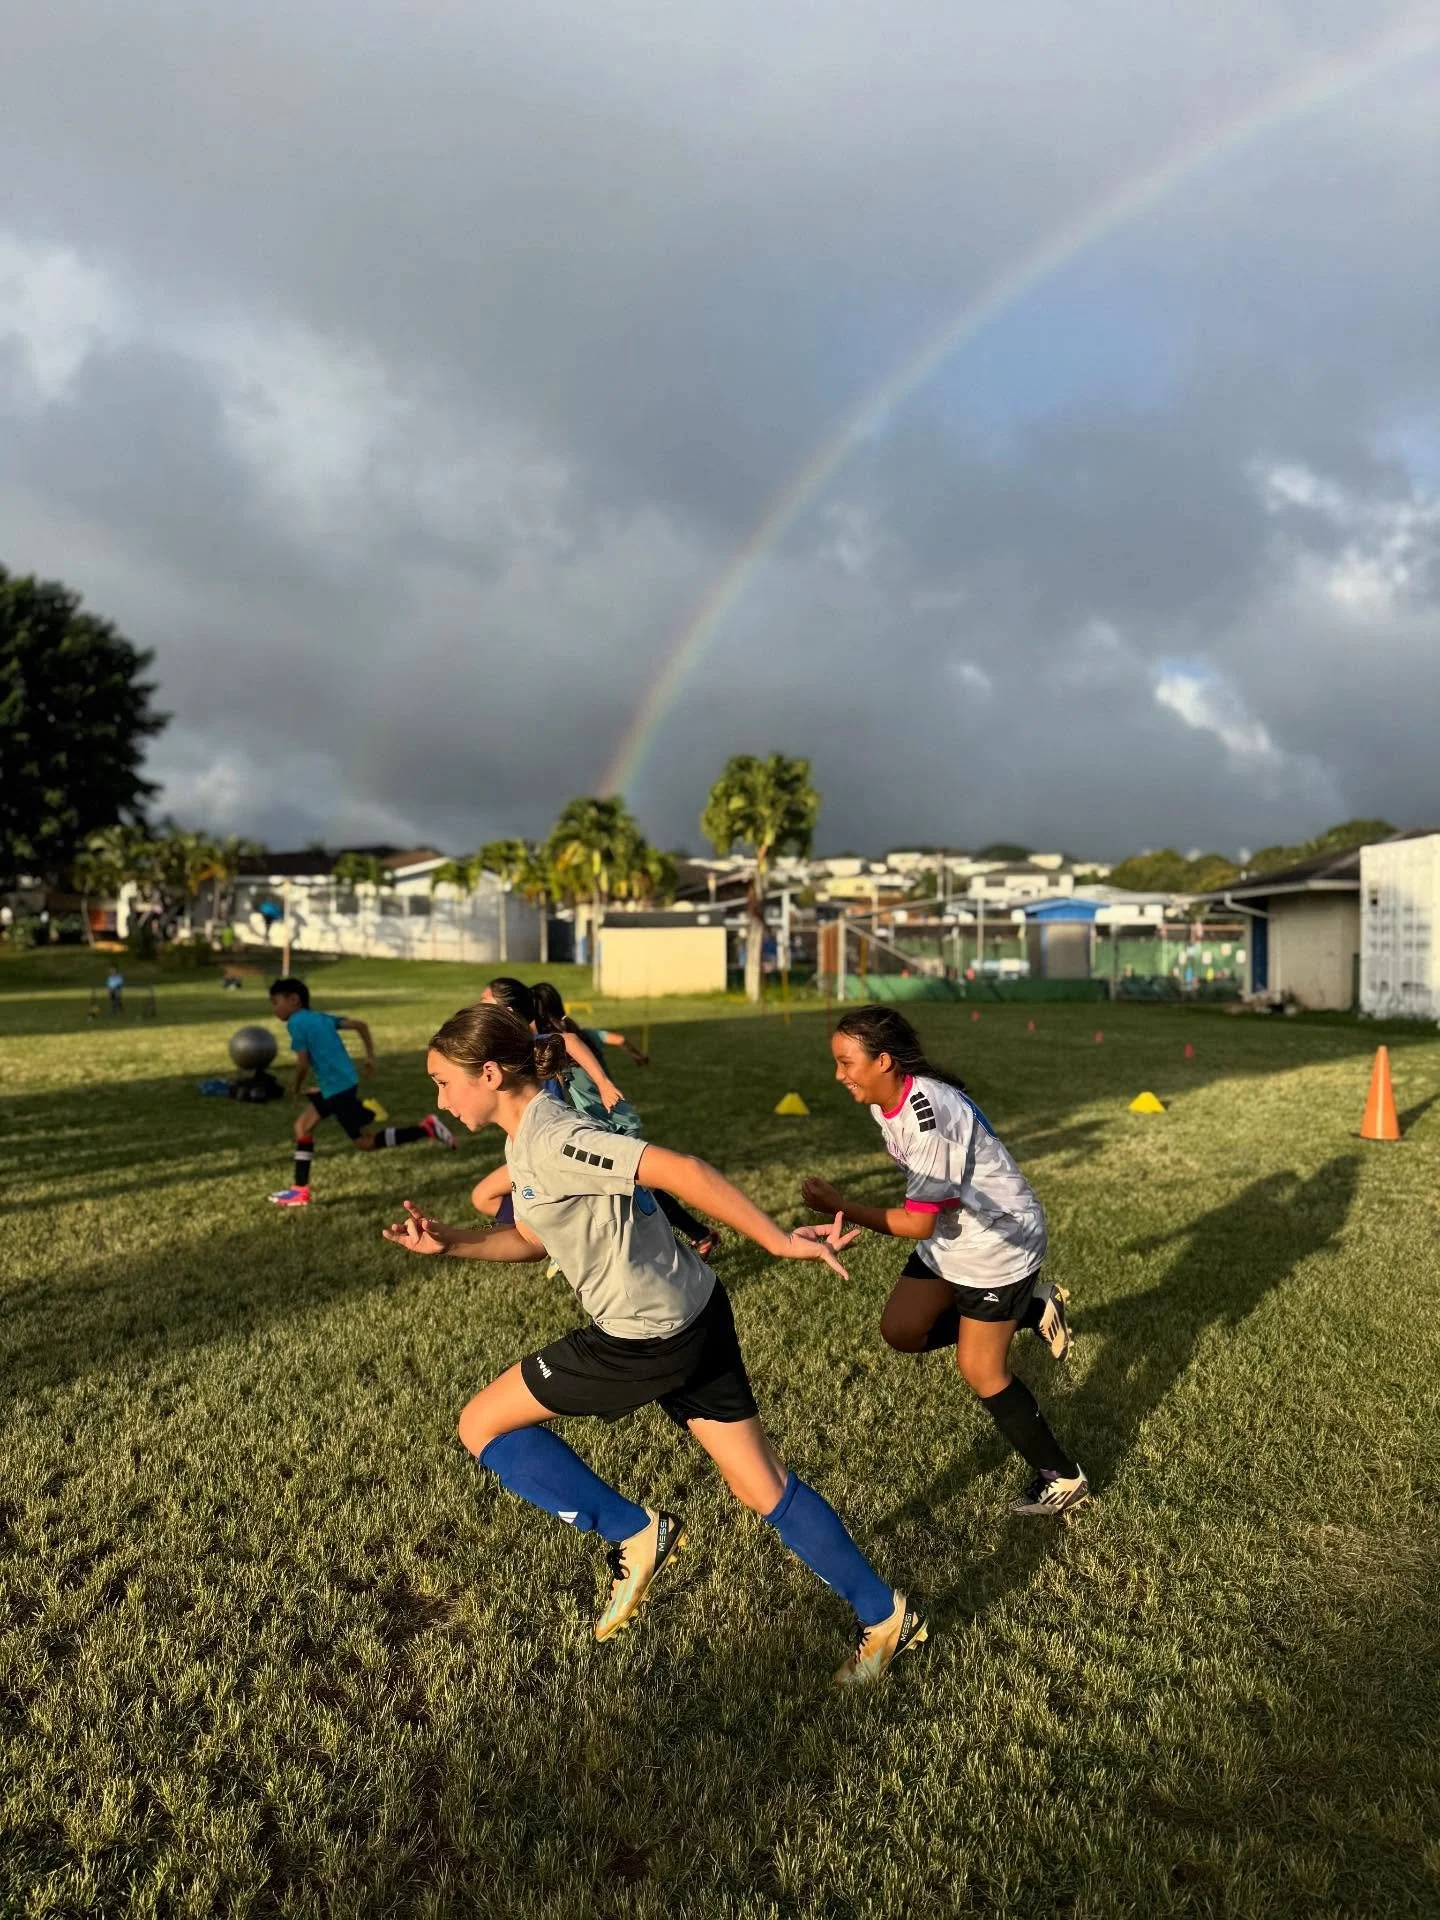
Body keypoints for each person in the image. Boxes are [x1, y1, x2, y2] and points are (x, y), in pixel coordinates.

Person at [383, 1002, 927, 1685]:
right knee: (762, 1485)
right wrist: (453, 1242)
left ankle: (634, 1533)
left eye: (441, 1080)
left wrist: (780, 1240)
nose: (438, 1096)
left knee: (481, 1424)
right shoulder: (527, 1138)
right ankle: (885, 1615)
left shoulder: (551, 1137)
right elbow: (531, 1239)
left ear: (488, 1074)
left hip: (646, 1337)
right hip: (693, 1311)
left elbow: (683, 1171)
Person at [801, 1005, 1087, 1518]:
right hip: (957, 1237)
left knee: (981, 1369)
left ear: (884, 1061)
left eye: (847, 1063)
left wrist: (842, 1205)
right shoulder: (886, 1101)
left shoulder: (928, 1119)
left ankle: (1062, 1478)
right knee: (903, 1329)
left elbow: (917, 1224)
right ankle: (1031, 1309)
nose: (839, 1075)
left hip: (1001, 1244)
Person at [530, 979, 720, 1259]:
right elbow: (618, 1039)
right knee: (635, 1187)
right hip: (612, 1119)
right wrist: (638, 1055)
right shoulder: (584, 1033)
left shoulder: (562, 1046)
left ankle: (697, 1236)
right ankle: (695, 1236)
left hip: (614, 1121)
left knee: (641, 1188)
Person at [266, 975, 456, 1208]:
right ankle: (299, 1190)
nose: (275, 1009)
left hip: (337, 1089)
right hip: (339, 1084)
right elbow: (360, 1025)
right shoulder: (319, 1017)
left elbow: (302, 1063)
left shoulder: (295, 1023)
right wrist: (369, 1058)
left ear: (293, 999)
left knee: (364, 1142)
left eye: (276, 1002)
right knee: (302, 1126)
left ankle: (425, 1129)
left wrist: (295, 1087)